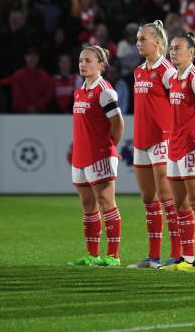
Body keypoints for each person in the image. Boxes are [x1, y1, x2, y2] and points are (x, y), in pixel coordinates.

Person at [161, 32, 195, 272]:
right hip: (175, 147)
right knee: (180, 204)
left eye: (179, 48)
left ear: (191, 52)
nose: (173, 51)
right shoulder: (172, 78)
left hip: (194, 146)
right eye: (172, 48)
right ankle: (187, 257)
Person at [129, 20, 181, 269]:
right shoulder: (138, 71)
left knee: (167, 198)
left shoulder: (168, 71)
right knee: (149, 200)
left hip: (162, 140)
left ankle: (177, 254)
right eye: (138, 39)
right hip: (140, 141)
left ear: (158, 42)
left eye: (143, 39)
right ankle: (153, 257)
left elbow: (179, 104)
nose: (138, 43)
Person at [67, 45, 124, 268]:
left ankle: (112, 255)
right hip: (80, 155)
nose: (83, 64)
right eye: (81, 60)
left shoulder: (105, 91)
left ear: (101, 65)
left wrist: (110, 147)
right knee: (88, 204)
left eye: (88, 60)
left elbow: (118, 123)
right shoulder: (79, 90)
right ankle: (92, 255)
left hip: (100, 155)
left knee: (106, 202)